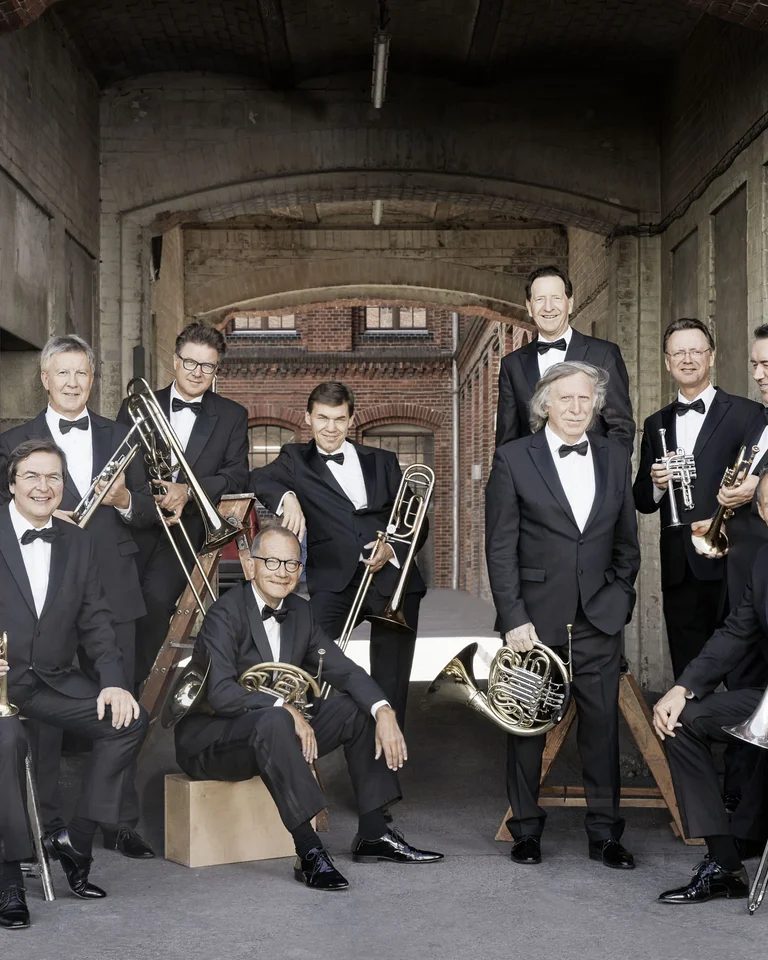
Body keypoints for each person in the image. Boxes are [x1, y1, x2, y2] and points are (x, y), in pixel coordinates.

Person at [174, 524, 442, 890]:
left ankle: (373, 834)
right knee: (273, 720)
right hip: (213, 740)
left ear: (300, 570)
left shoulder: (300, 612)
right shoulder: (225, 613)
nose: (282, 572)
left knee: (356, 710)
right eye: (271, 561)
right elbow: (220, 694)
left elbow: (344, 670)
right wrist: (285, 706)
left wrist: (383, 710)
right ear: (251, 565)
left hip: (273, 730)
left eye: (291, 564)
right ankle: (309, 851)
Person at [0, 334, 155, 859]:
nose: (72, 383)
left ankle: (118, 821)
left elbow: (152, 512)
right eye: (62, 373)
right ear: (45, 379)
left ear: (94, 380)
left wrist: (128, 498)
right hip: (44, 596)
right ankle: (45, 822)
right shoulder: (16, 439)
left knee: (120, 703)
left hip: (113, 588)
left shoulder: (123, 434)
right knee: (43, 712)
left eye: (81, 374)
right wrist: (46, 515)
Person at [485, 361, 640, 868]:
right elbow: (501, 548)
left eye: (585, 400)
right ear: (545, 403)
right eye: (566, 399)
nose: (577, 409)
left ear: (596, 405)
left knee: (602, 730)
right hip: (534, 619)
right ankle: (526, 830)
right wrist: (513, 617)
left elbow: (626, 545)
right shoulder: (512, 459)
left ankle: (605, 834)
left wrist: (619, 599)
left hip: (599, 617)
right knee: (527, 728)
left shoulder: (615, 457)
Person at [0, 439, 146, 928]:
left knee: (127, 721)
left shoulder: (77, 541)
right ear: (12, 483)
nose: (44, 487)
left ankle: (74, 841)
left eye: (54, 478)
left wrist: (113, 682)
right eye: (32, 477)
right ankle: (8, 879)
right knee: (7, 740)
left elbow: (98, 621)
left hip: (50, 683)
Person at [249, 381, 427, 730]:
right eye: (323, 418)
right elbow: (257, 478)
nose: (331, 428)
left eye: (339, 419)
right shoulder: (295, 460)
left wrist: (391, 547)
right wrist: (288, 497)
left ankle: (386, 753)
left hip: (392, 580)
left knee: (392, 680)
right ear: (308, 418)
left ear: (351, 420)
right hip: (335, 580)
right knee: (299, 649)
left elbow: (417, 521)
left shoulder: (383, 461)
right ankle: (303, 730)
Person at [652, 474, 768, 904]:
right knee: (680, 721)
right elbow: (736, 632)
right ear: (760, 512)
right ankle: (724, 865)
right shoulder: (762, 561)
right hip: (767, 703)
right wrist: (683, 688)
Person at [117, 322, 249, 685]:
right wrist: (151, 501)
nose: (197, 372)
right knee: (115, 604)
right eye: (190, 362)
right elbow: (120, 465)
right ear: (174, 361)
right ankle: (109, 684)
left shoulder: (232, 415)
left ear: (216, 369)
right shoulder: (139, 406)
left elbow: (237, 476)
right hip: (134, 524)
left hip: (187, 530)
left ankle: (134, 687)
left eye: (207, 366)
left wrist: (188, 491)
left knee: (156, 603)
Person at [633, 318, 760, 679]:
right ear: (667, 361)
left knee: (743, 671)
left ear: (712, 357)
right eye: (678, 352)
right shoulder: (655, 422)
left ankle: (737, 737)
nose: (687, 359)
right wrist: (657, 483)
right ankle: (688, 736)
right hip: (681, 567)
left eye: (696, 351)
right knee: (687, 674)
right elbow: (642, 499)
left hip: (735, 561)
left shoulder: (747, 413)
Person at [688, 324, 768, 811]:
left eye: (767, 366)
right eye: (756, 365)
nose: (759, 375)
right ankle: (742, 807)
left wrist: (757, 485)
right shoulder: (761, 422)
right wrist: (723, 511)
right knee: (745, 689)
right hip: (750, 578)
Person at [494, 265, 634, 450]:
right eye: (540, 299)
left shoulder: (604, 354)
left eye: (556, 298)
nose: (548, 307)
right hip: (532, 477)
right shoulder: (512, 365)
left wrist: (610, 475)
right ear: (529, 306)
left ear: (570, 303)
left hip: (590, 474)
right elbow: (507, 440)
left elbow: (620, 429)